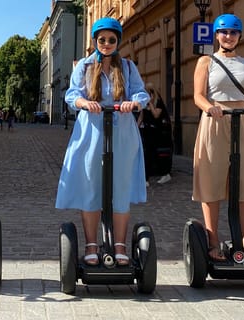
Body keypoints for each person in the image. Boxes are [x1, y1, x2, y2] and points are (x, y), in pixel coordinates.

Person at [55, 17, 149, 266]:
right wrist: (83, 102)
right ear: (95, 41)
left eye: (111, 40)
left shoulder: (127, 67)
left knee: (119, 189)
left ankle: (119, 245)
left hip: (122, 135)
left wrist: (135, 102)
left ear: (117, 41)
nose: (106, 44)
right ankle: (91, 244)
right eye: (102, 40)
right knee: (91, 187)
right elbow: (72, 93)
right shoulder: (84, 67)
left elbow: (141, 92)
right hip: (91, 134)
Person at [191, 14, 244, 262]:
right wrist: (209, 107)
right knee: (211, 180)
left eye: (233, 32)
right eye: (224, 32)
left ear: (239, 36)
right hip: (215, 122)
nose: (228, 36)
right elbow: (198, 96)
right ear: (216, 35)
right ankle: (213, 242)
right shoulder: (206, 61)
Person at [138, 88, 172, 185]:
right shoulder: (144, 104)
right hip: (147, 132)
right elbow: (141, 117)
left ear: (153, 94)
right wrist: (136, 126)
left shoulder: (158, 103)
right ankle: (146, 179)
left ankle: (164, 174)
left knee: (153, 154)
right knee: (147, 155)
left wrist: (151, 104)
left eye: (148, 94)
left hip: (157, 132)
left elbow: (156, 115)